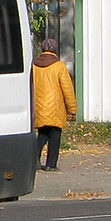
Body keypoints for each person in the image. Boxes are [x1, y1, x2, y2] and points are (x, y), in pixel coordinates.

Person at [32, 37, 77, 172]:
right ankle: (51, 164)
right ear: (54, 50)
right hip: (55, 108)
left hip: (39, 107)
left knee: (43, 134)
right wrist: (72, 109)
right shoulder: (59, 66)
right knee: (54, 137)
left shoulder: (34, 65)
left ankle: (34, 158)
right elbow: (67, 89)